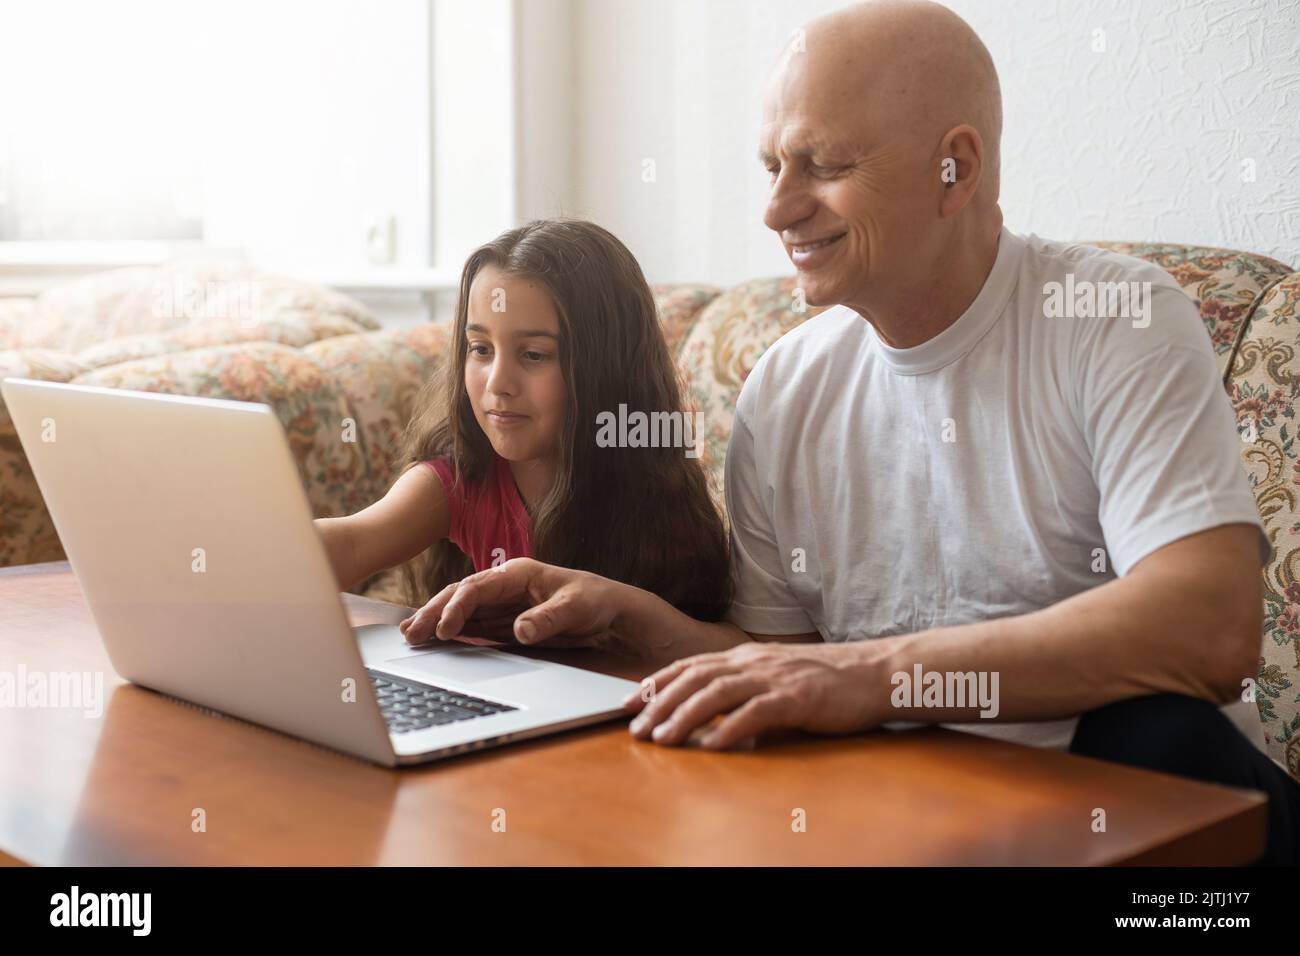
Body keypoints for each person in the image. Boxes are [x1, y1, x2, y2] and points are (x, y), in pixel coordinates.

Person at [398, 2, 1300, 864]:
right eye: (770, 166)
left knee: (1149, 730)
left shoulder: (1117, 322)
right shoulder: (786, 389)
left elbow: (1208, 628)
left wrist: (868, 679)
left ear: (957, 168)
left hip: (1160, 819)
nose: (777, 208)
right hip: (911, 806)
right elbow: (784, 668)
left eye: (821, 165)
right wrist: (628, 619)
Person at [314, 218, 731, 640]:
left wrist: (622, 613)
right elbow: (353, 541)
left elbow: (732, 650)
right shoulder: (463, 478)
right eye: (480, 349)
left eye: (533, 354)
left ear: (607, 368)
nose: (497, 384)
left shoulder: (657, 498)